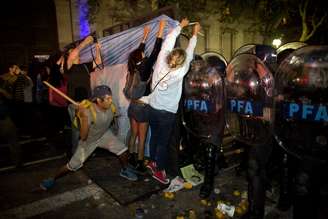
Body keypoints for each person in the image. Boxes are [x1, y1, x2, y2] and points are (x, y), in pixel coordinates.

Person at [40, 85, 137, 190]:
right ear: (98, 100)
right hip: (89, 141)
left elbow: (113, 118)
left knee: (123, 150)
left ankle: (124, 170)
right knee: (72, 166)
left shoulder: (111, 107)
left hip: (104, 134)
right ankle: (52, 179)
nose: (110, 101)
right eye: (107, 98)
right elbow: (83, 136)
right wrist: (84, 118)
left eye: (110, 97)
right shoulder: (88, 113)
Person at [140, 18, 201, 184]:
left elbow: (168, 41)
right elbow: (190, 51)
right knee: (163, 142)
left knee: (154, 138)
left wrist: (179, 26)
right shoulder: (181, 71)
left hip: (153, 108)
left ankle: (152, 162)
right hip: (167, 113)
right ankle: (159, 170)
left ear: (170, 56)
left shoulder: (161, 59)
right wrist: (195, 34)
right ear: (181, 62)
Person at [125, 20, 166, 174]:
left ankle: (130, 156)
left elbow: (138, 52)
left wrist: (145, 35)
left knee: (133, 133)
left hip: (132, 106)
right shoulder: (145, 68)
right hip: (142, 108)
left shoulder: (132, 68)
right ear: (141, 57)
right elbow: (156, 50)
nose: (144, 52)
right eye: (143, 52)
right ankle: (140, 163)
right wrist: (160, 30)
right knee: (142, 138)